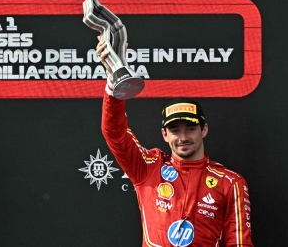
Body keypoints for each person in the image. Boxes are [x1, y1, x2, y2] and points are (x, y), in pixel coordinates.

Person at [96, 38, 253, 246]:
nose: (183, 137)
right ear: (164, 135)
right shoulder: (148, 168)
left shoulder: (230, 183)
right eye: (175, 130)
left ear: (204, 129)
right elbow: (114, 132)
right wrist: (114, 84)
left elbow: (240, 244)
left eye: (190, 129)